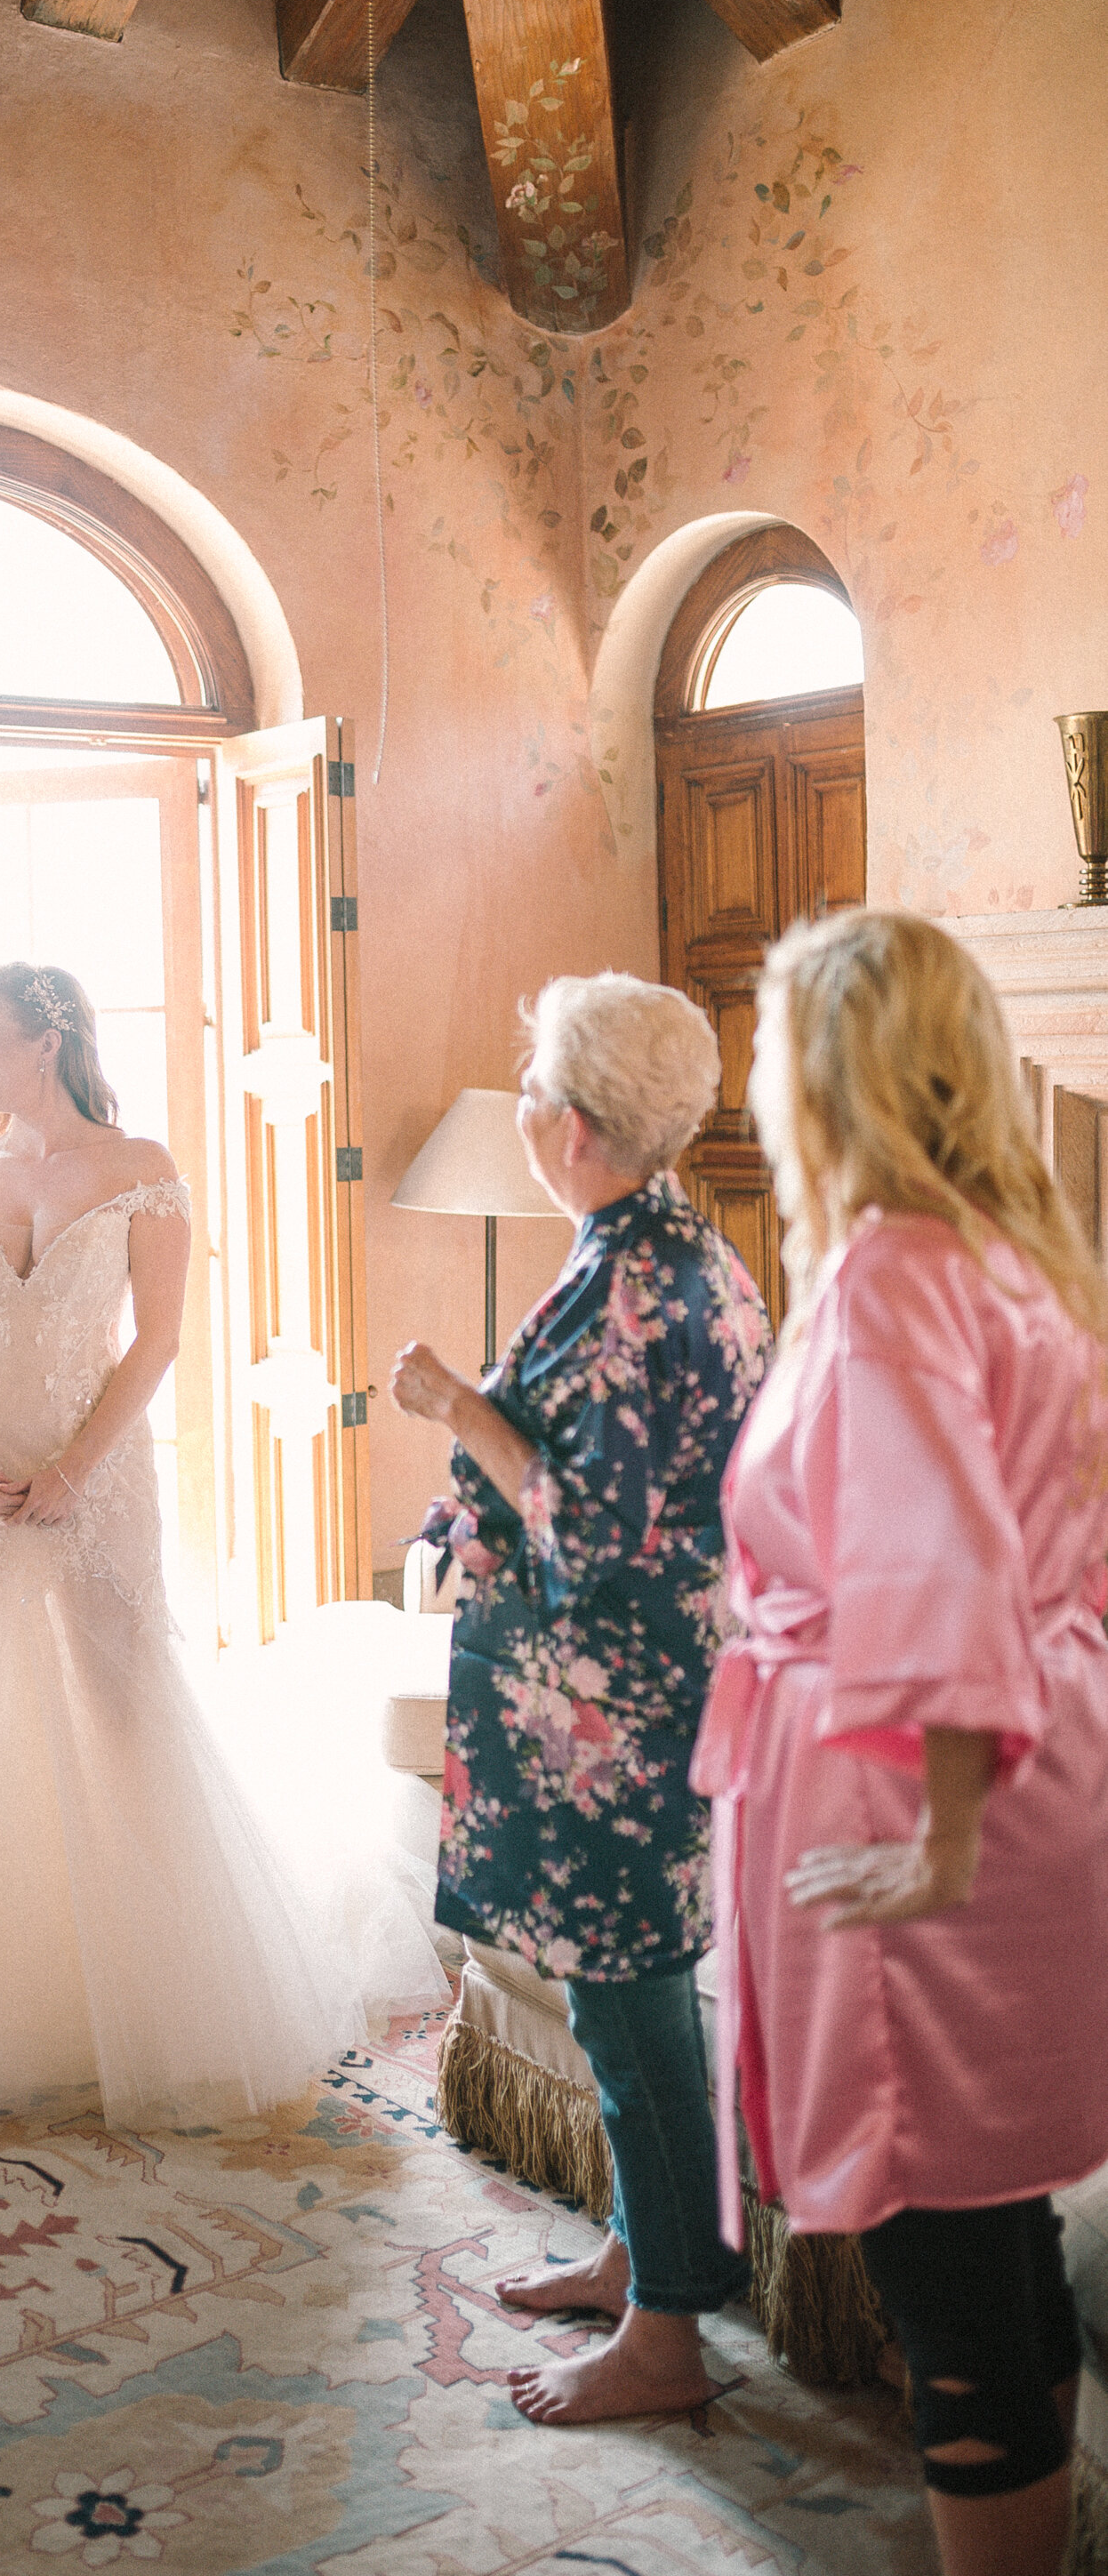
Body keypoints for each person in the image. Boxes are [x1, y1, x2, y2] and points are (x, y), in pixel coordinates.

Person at [0, 960, 441, 2121]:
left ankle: (170, 1993)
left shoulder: (140, 1171)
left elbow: (154, 1345)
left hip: (96, 1481)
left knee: (121, 1707)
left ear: (48, 1037)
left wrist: (72, 1470)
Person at [695, 910, 1108, 2576]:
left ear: (827, 1067)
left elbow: (938, 1556)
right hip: (1036, 1759)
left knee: (940, 2255)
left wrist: (937, 1845)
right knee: (992, 2226)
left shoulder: (886, 1268)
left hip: (933, 1796)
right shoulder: (1012, 1245)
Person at [389, 973, 773, 2424]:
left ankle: (667, 2335)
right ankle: (641, 2256)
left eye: (534, 1087)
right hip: (609, 1708)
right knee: (630, 2001)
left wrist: (449, 1410)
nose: (529, 1108)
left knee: (630, 2012)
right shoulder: (648, 1243)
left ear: (565, 1123)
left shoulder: (642, 1282)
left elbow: (592, 1526)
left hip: (616, 1717)